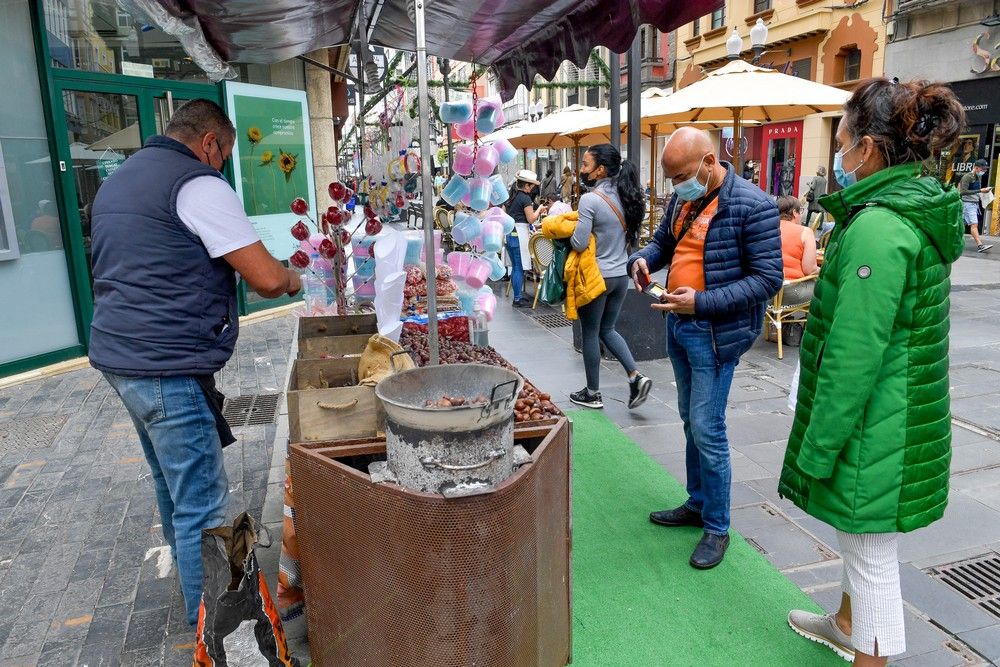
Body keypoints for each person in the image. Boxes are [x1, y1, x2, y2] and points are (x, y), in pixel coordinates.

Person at [88, 99, 302, 627]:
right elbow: (268, 279)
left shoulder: (123, 177)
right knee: (204, 505)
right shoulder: (198, 184)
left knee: (172, 485)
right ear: (210, 142)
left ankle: (197, 591)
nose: (223, 164)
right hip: (165, 363)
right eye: (225, 154)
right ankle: (217, 626)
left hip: (121, 356)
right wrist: (295, 277)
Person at [780, 78, 966, 667]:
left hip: (876, 424)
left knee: (871, 556)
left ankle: (869, 650)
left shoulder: (879, 228)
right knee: (861, 535)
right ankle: (844, 622)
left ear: (870, 147)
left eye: (843, 136)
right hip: (897, 413)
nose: (837, 149)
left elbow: (853, 356)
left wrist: (817, 447)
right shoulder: (905, 207)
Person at [628, 127, 783, 570]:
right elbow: (663, 244)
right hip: (678, 324)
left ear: (709, 161)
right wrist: (643, 259)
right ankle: (698, 504)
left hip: (714, 333)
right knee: (688, 419)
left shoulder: (753, 205)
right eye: (671, 178)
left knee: (707, 426)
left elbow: (767, 280)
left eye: (681, 175)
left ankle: (717, 526)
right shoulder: (682, 200)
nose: (676, 186)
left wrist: (701, 302)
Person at [558, 144, 652, 410]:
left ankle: (592, 393)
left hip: (596, 277)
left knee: (590, 333)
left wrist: (569, 226)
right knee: (608, 329)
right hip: (620, 276)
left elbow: (578, 243)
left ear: (600, 169)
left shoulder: (590, 200)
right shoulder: (628, 197)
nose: (582, 169)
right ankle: (636, 376)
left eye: (586, 165)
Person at [504, 169, 547, 307]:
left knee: (516, 267)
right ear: (527, 185)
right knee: (519, 267)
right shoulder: (525, 198)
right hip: (519, 234)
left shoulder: (511, 196)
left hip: (509, 233)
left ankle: (518, 296)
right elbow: (531, 219)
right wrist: (539, 209)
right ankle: (517, 298)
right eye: (532, 186)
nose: (532, 188)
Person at [776, 195, 820, 304]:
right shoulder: (805, 232)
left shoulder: (765, 229)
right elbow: (809, 269)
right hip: (791, 290)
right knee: (825, 287)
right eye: (800, 211)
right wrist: (824, 270)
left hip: (765, 292)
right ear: (795, 213)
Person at [959, 158, 993, 252]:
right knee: (974, 224)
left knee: (961, 225)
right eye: (983, 169)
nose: (984, 171)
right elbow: (962, 192)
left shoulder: (977, 176)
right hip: (967, 204)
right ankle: (980, 246)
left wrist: (984, 191)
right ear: (976, 168)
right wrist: (980, 190)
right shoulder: (967, 177)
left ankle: (951, 243)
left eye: (985, 169)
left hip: (973, 204)